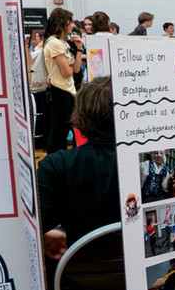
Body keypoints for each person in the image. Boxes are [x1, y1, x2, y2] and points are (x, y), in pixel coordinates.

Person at [38, 77, 121, 262]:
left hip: (77, 277)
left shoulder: (55, 165)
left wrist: (46, 236)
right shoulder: (143, 161)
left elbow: (34, 229)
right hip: (144, 279)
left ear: (80, 114)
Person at [42, 7, 84, 153]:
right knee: (59, 131)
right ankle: (54, 161)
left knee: (70, 128)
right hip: (59, 90)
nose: (73, 25)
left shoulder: (63, 43)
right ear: (63, 22)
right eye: (70, 21)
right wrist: (70, 67)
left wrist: (79, 49)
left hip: (69, 90)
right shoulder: (54, 43)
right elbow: (67, 72)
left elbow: (76, 69)